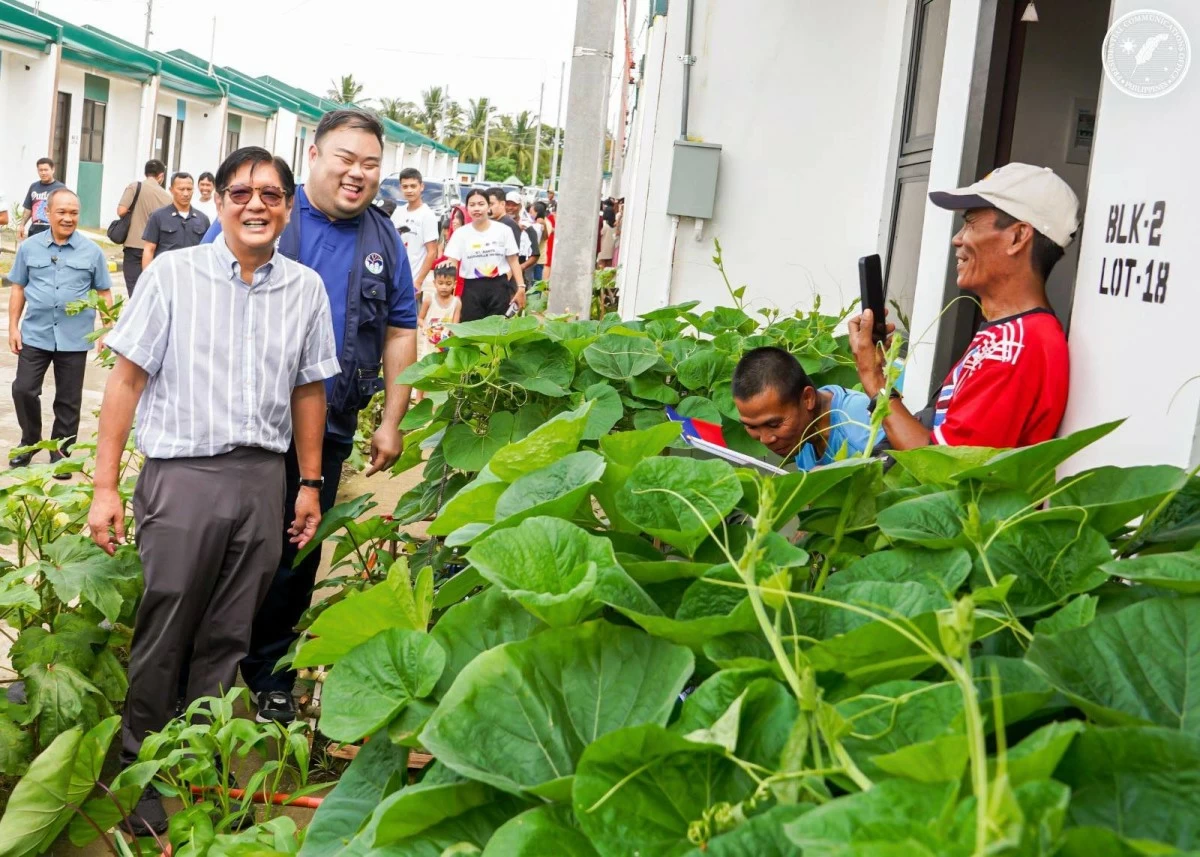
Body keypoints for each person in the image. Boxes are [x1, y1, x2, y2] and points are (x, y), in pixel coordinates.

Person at [89, 147, 337, 835]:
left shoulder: (305, 289)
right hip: (183, 479)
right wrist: (105, 487)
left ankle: (198, 768)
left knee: (229, 636)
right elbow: (126, 380)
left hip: (262, 480)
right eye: (241, 192)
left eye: (271, 194)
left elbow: (309, 389)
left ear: (288, 207)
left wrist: (308, 483)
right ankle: (139, 773)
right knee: (165, 628)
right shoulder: (173, 275)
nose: (256, 205)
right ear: (219, 201)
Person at [199, 109, 418, 725]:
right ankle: (204, 675)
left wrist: (392, 419)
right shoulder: (264, 212)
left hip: (328, 429)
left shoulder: (383, 240)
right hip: (240, 427)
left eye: (370, 164)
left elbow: (401, 328)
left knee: (295, 555)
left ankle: (270, 674)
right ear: (314, 155)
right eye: (345, 158)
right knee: (225, 546)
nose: (358, 173)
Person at [849, 162, 1078, 450]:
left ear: (1018, 236)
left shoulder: (1017, 347)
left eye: (970, 223)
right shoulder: (1010, 334)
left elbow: (939, 465)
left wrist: (873, 378)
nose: (957, 239)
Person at [8, 189, 112, 472]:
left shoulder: (92, 251)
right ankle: (30, 441)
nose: (68, 218)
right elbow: (18, 288)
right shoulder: (30, 248)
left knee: (68, 399)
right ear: (47, 213)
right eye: (62, 212)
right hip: (35, 333)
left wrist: (106, 330)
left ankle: (62, 452)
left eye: (74, 213)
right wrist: (13, 327)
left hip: (75, 337)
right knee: (23, 389)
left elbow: (103, 292)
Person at [732, 346, 871, 470]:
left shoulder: (861, 423)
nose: (765, 439)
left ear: (807, 399)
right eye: (751, 427)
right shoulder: (801, 432)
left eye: (774, 424)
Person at [445, 187, 525, 321]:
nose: (477, 208)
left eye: (481, 204)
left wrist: (521, 287)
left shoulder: (504, 230)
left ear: (488, 207)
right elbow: (452, 263)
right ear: (467, 208)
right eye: (472, 205)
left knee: (497, 328)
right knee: (471, 328)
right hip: (471, 288)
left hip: (498, 287)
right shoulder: (460, 234)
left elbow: (513, 260)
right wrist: (447, 290)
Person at [116, 160, 172, 296]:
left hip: (133, 245)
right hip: (154, 247)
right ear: (161, 176)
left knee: (134, 291)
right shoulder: (167, 197)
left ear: (145, 173)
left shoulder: (134, 187)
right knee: (152, 290)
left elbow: (121, 211)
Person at [415, 262, 463, 403]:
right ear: (434, 283)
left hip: (445, 343)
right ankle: (418, 398)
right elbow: (420, 318)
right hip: (429, 343)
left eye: (448, 284)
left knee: (443, 369)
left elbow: (455, 325)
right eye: (440, 283)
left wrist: (450, 338)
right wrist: (426, 328)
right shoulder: (429, 299)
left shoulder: (456, 303)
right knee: (425, 368)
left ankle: (439, 398)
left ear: (454, 284)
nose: (444, 287)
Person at [141, 172, 210, 269]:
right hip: (166, 272)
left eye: (189, 189)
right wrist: (147, 275)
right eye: (181, 189)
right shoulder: (158, 216)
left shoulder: (202, 219)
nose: (186, 194)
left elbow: (207, 252)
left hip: (193, 273)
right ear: (171, 190)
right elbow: (149, 249)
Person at [391, 167, 440, 292]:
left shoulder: (427, 215)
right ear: (400, 188)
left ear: (421, 187)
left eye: (413, 186)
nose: (409, 190)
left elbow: (432, 252)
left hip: (412, 282)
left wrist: (418, 282)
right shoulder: (397, 213)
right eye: (405, 186)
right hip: (394, 279)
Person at [19, 158, 66, 240]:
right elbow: (28, 208)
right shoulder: (34, 186)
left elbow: (65, 210)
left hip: (52, 230)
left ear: (53, 170)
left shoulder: (61, 188)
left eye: (46, 170)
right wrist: (22, 225)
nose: (43, 173)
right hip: (35, 229)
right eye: (40, 170)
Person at [507, 192, 540, 282]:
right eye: (508, 204)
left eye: (514, 205)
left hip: (518, 277)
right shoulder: (496, 225)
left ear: (520, 206)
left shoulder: (527, 227)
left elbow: (535, 254)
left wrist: (520, 268)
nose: (510, 208)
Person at [597, 200, 616, 268]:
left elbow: (600, 233)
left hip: (603, 247)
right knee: (608, 266)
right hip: (610, 248)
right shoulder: (615, 225)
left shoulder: (605, 225)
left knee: (601, 265)